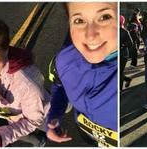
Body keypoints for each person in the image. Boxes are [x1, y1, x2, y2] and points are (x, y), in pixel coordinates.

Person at [0, 14, 50, 147]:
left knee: (50, 128)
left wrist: (3, 136)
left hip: (39, 116)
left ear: (6, 50)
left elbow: (33, 120)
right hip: (15, 116)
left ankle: (41, 139)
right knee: (21, 132)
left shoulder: (27, 85)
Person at [46, 2, 118, 147]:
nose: (90, 35)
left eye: (104, 17)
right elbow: (60, 85)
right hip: (86, 131)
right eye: (79, 20)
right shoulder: (65, 58)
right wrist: (54, 114)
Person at [120, 15, 133, 91]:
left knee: (119, 72)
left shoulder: (125, 32)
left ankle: (120, 89)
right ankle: (127, 79)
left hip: (123, 55)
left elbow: (130, 43)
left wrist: (123, 45)